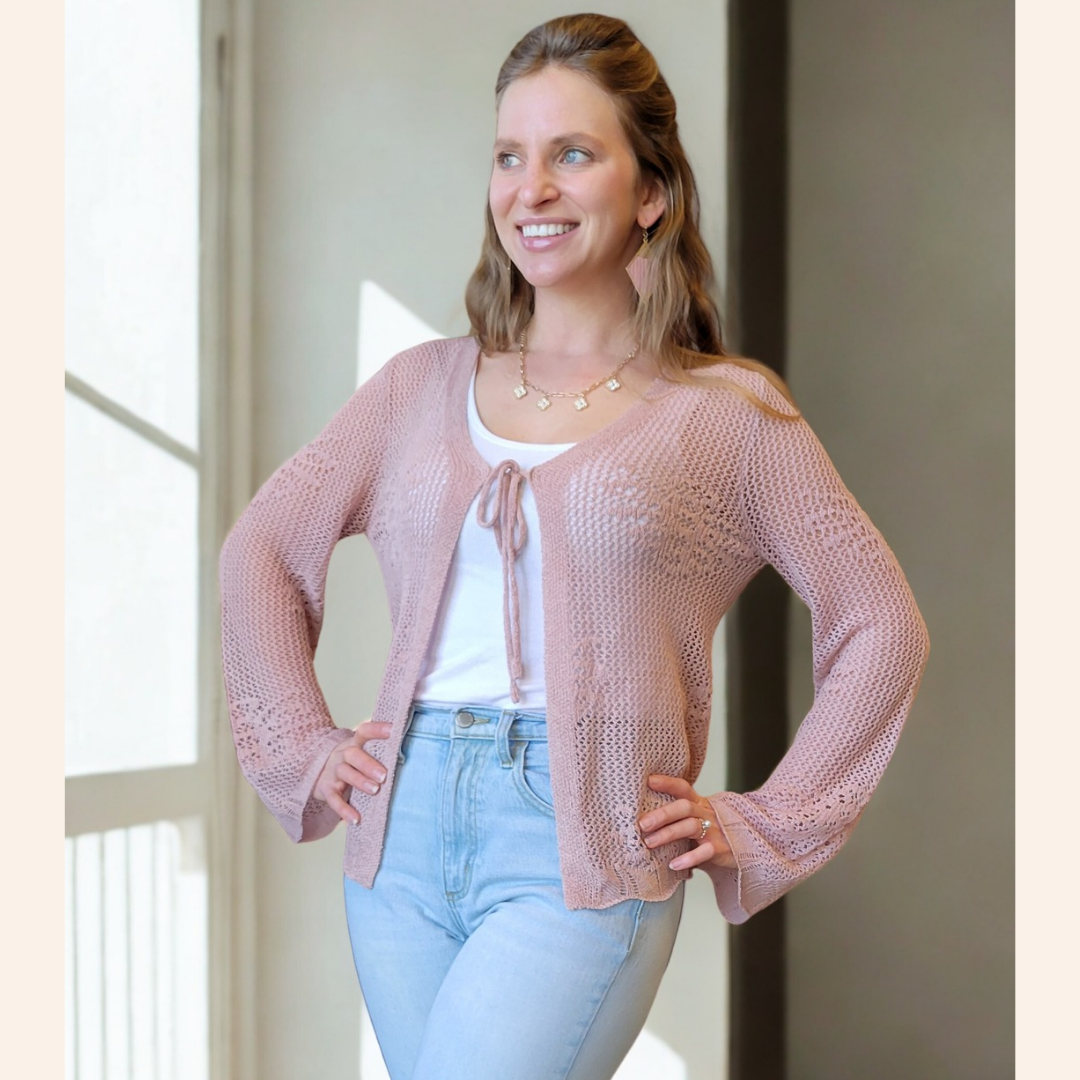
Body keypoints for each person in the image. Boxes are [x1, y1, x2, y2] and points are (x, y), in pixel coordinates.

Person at [219, 13, 929, 1080]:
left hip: (580, 845)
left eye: (573, 155)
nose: (531, 188)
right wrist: (307, 747)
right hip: (400, 840)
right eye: (510, 156)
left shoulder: (726, 414)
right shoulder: (417, 388)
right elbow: (259, 552)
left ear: (650, 192)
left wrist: (770, 818)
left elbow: (883, 623)